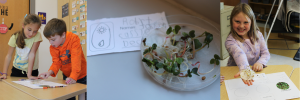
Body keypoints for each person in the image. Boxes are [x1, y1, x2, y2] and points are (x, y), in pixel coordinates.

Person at [38, 18, 87, 100]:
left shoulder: (74, 39)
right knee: (68, 97)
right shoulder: (53, 47)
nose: (51, 43)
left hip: (81, 75)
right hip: (67, 76)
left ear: (63, 35)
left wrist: (74, 76)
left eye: (53, 40)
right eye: (49, 40)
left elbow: (76, 60)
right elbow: (56, 63)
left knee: (85, 97)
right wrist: (49, 72)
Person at [225, 3, 270, 86]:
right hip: (235, 73)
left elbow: (266, 53)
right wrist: (245, 70)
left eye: (246, 22)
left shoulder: (258, 35)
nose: (241, 26)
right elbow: (239, 53)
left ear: (252, 22)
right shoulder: (230, 41)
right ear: (231, 20)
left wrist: (260, 62)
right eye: (237, 21)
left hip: (253, 73)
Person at [0, 14, 42, 80]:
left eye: (35, 31)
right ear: (23, 25)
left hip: (32, 71)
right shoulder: (14, 37)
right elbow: (9, 56)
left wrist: (29, 74)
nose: (31, 34)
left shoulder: (37, 36)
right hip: (17, 71)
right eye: (29, 29)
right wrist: (4, 73)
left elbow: (32, 54)